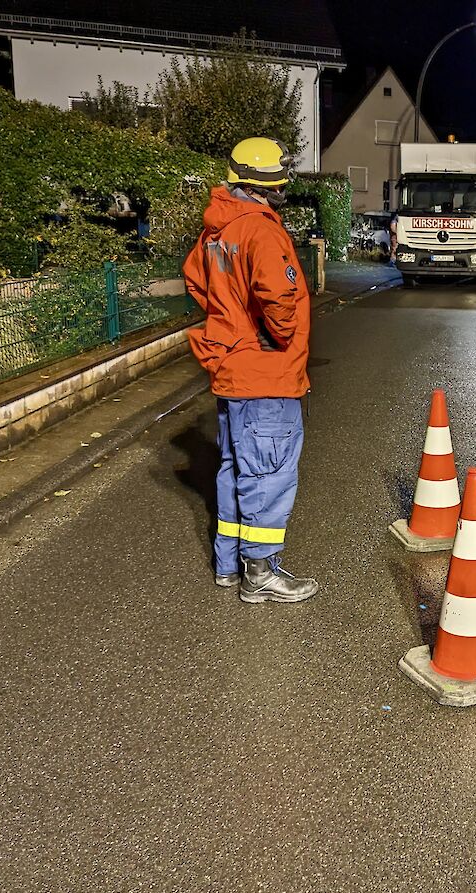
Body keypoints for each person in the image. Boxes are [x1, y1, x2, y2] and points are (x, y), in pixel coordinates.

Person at [182, 137, 319, 604]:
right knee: (270, 470)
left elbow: (196, 281)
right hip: (267, 372)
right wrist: (278, 333)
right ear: (269, 183)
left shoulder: (217, 229)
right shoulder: (260, 229)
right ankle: (259, 572)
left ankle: (229, 564)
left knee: (234, 467)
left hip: (232, 370)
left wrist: (231, 319)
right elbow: (279, 301)